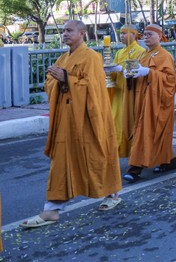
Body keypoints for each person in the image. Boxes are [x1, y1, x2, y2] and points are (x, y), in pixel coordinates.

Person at [21, 21, 122, 229]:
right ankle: (52, 209)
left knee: (96, 154)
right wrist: (55, 79)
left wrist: (66, 77)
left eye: (69, 31)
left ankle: (112, 192)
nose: (64, 34)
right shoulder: (63, 57)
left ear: (82, 33)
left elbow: (93, 88)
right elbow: (51, 83)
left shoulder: (91, 57)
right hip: (66, 118)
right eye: (64, 31)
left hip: (87, 118)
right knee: (61, 160)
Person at [122, 24, 176, 182]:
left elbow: (170, 81)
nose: (146, 37)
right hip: (143, 99)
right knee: (153, 132)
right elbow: (135, 74)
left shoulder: (165, 56)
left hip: (157, 101)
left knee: (146, 132)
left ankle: (135, 168)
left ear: (160, 36)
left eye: (150, 34)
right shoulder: (142, 55)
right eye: (144, 35)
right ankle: (170, 160)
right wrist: (127, 74)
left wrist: (150, 73)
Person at [106, 24, 145, 157]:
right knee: (115, 122)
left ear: (134, 35)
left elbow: (133, 73)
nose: (122, 36)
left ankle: (135, 154)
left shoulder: (139, 51)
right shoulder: (119, 52)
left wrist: (120, 69)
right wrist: (109, 72)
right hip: (118, 93)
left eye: (125, 33)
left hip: (130, 93)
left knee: (129, 122)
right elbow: (114, 76)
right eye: (121, 33)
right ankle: (116, 152)